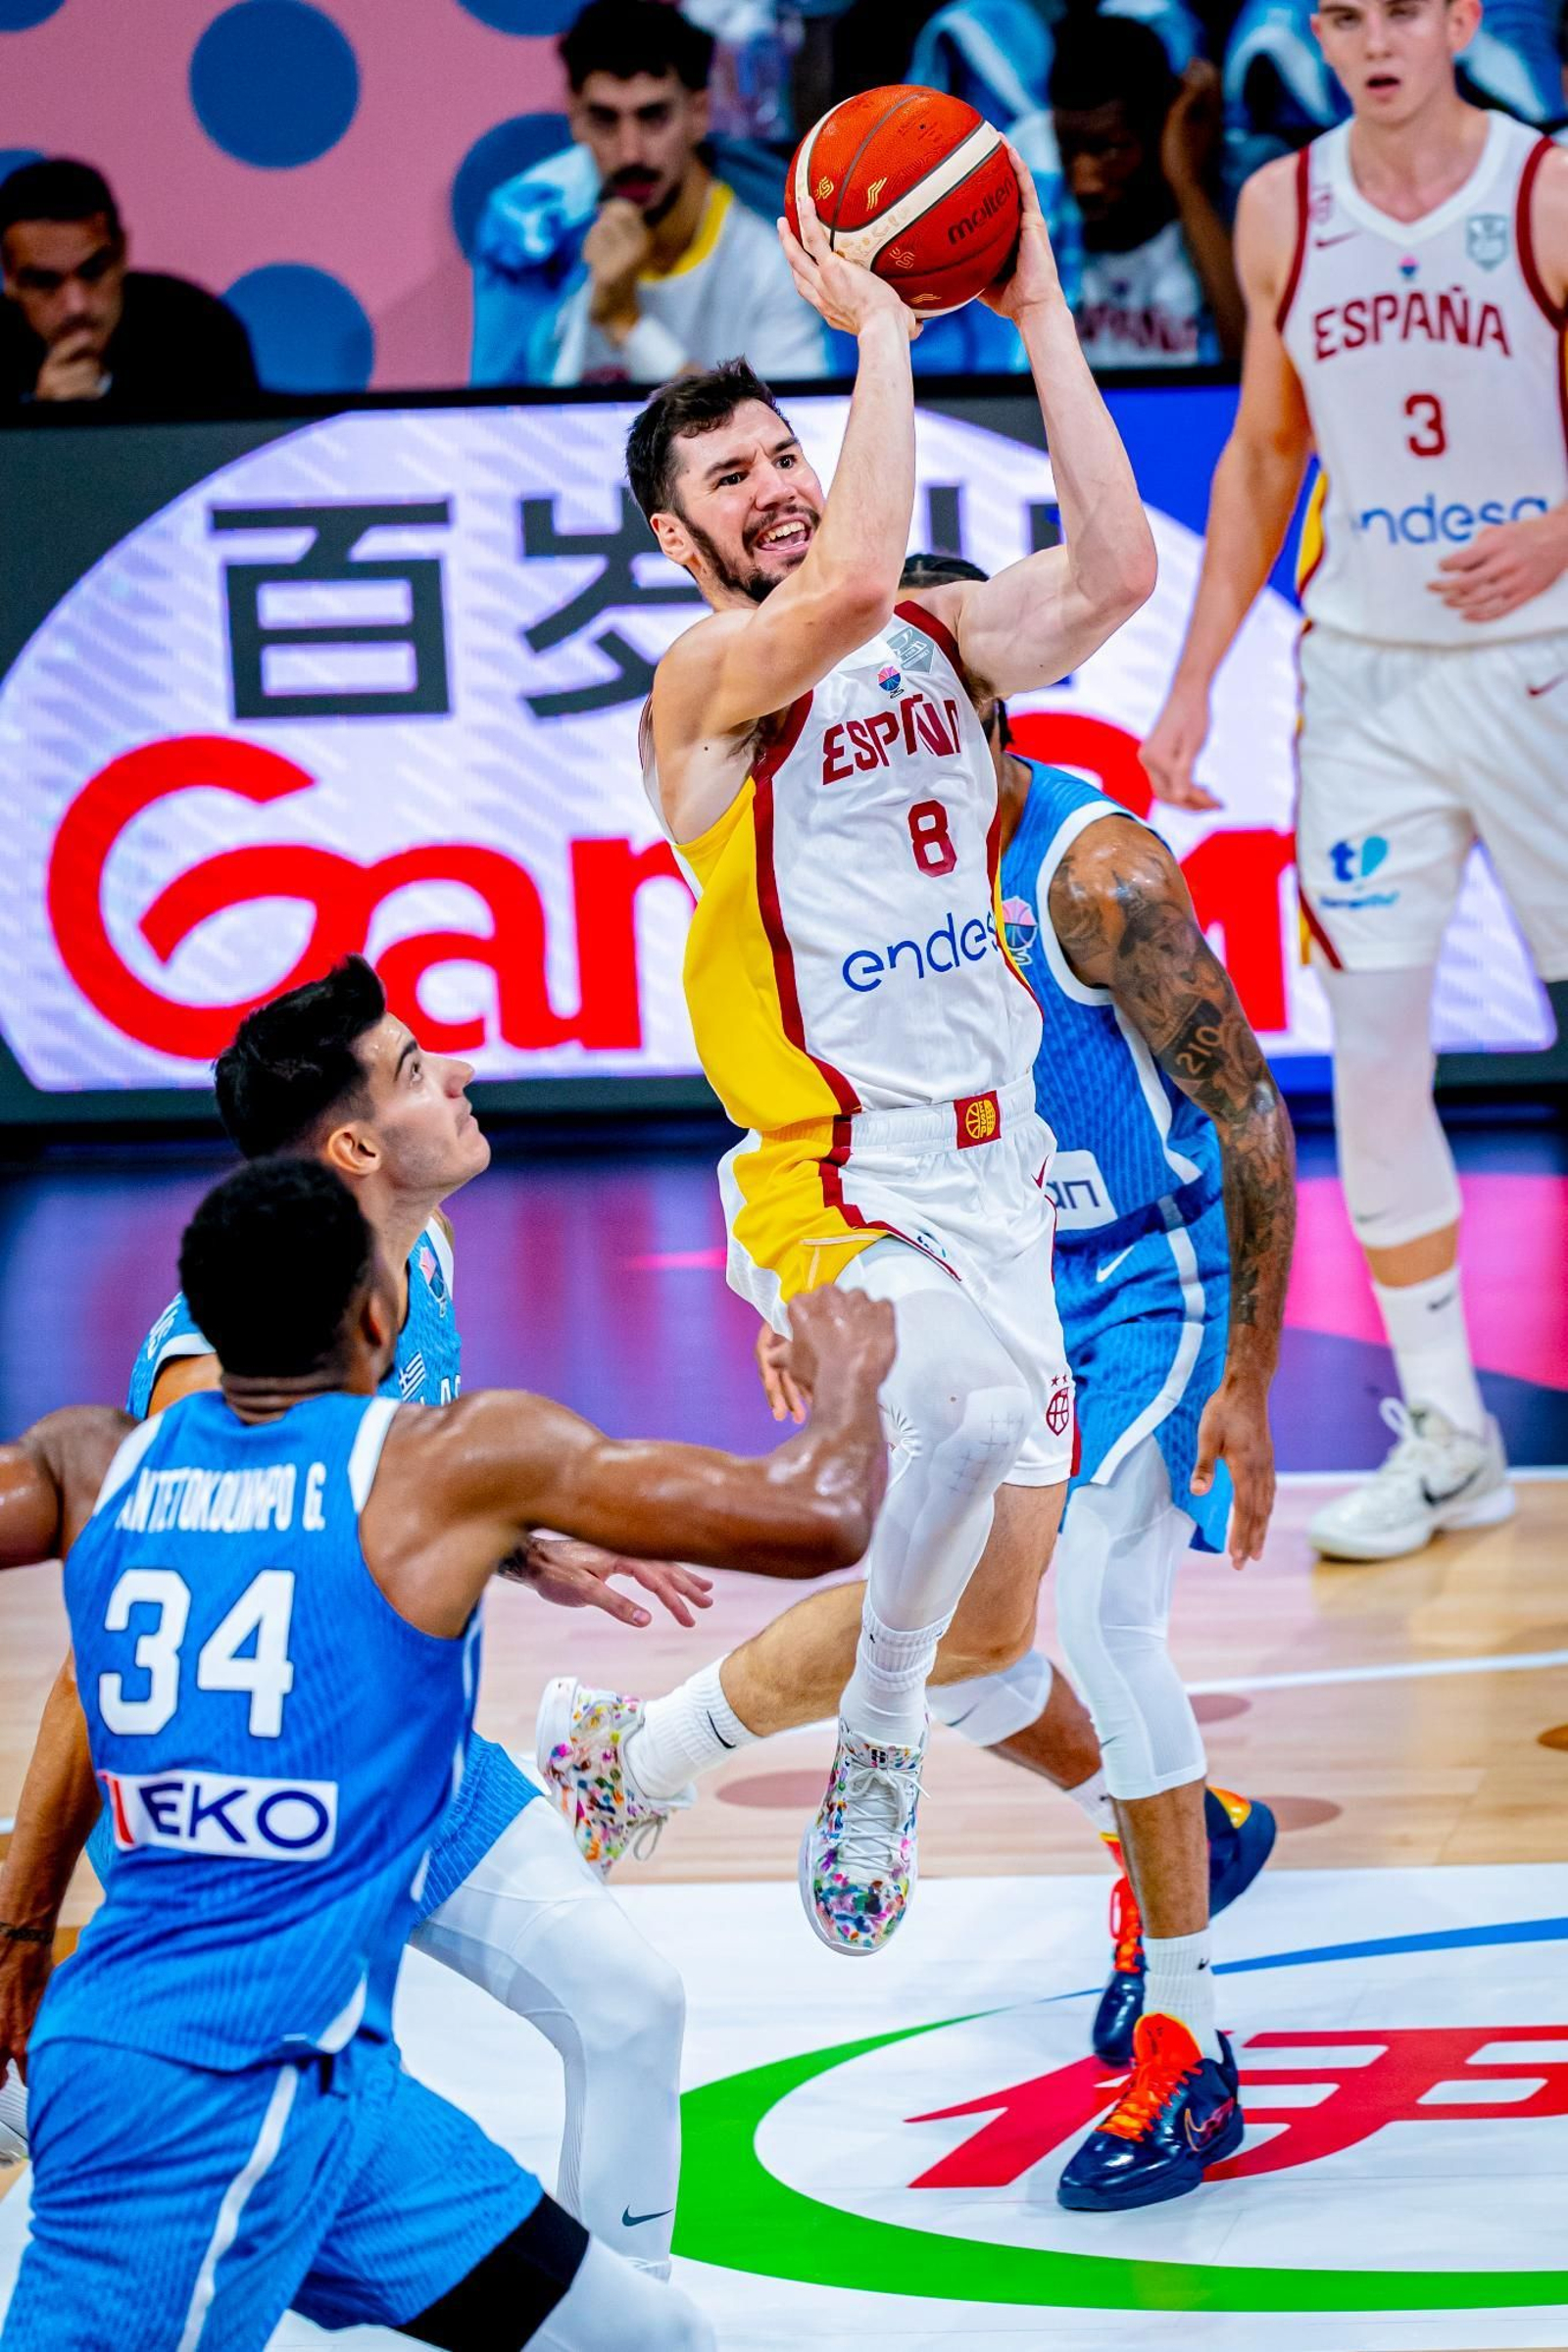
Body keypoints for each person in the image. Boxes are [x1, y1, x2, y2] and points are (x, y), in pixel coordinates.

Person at [543, 549, 1293, 2213]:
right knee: (966, 1651)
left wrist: (1246, 1376)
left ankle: (1193, 2048)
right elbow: (821, 1100)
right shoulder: (843, 865)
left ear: (976, 710)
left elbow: (1247, 1107)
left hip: (1148, 1275)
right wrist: (817, 1281)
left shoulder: (1096, 875)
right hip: (978, 1267)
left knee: (1099, 1618)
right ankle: (1189, 1825)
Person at [542, 153, 1154, 1966]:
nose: (778, 488)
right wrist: (885, 325)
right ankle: (874, 1759)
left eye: (783, 455)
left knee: (994, 1625)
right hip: (830, 1174)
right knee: (963, 1418)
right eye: (732, 479)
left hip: (997, 1181)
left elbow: (1119, 570)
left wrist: (1037, 310)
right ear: (680, 546)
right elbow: (855, 578)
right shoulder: (706, 686)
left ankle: (638, 1753)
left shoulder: (940, 645)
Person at [0, 1154, 892, 2348]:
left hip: (341, 2093)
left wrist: (509, 1545)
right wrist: (851, 1375)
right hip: (197, 2096)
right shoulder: (448, 1465)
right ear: (380, 1318)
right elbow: (821, 1515)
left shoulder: (86, 1461)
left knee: (650, 2337)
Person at [0, 956, 709, 2280]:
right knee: (235, 2163)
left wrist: (520, 1545)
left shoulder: (418, 1249)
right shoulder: (219, 1373)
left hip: (402, 1764)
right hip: (245, 1815)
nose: (466, 1076)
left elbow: (384, 1483)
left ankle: (627, 2317)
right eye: (422, 1072)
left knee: (631, 2004)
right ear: (357, 1148)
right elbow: (111, 1664)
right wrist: (23, 1916)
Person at [1141, 0, 1568, 1561]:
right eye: (1342, 15)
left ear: (1461, 18)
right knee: (1373, 1062)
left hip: (1547, 664)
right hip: (1368, 684)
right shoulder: (1284, 203)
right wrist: (1194, 679)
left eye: (1402, 10)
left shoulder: (1546, 189)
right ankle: (1451, 1433)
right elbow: (1266, 452)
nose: (1373, 41)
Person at [470, 0, 824, 388]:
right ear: (575, 118)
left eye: (653, 117)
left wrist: (628, 324)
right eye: (604, 119)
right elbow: (504, 413)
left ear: (698, 114)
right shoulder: (534, 244)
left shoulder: (771, 257)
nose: (630, 153)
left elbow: (788, 421)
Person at [1050, 15, 1246, 368]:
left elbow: (1251, 366)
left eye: (1110, 149)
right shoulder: (1050, 216)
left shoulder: (1240, 196)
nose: (1083, 183)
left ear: (1161, 129)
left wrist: (1187, 184)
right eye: (1067, 149)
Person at [0, 158, 258, 413]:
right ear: (9, 279)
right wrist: (42, 418)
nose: (76, 306)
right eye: (44, 282)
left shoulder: (201, 329)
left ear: (122, 252)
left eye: (94, 271)